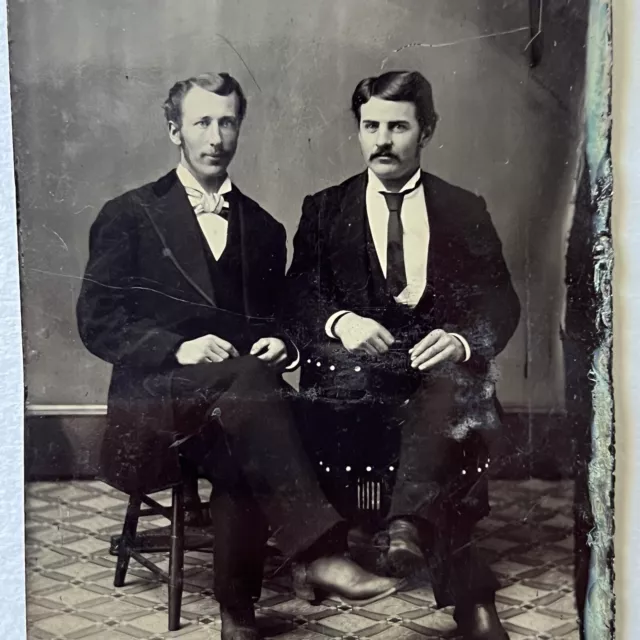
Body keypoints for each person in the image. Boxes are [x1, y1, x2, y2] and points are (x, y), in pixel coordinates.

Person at [76, 72, 398, 640]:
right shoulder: (128, 215)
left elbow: (280, 316)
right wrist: (179, 346)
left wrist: (286, 343)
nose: (216, 137)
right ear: (174, 130)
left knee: (247, 420)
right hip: (156, 412)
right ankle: (318, 552)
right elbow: (97, 322)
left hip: (237, 415)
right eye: (202, 122)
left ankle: (237, 619)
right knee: (255, 399)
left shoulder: (264, 229)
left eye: (227, 122)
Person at [285, 70, 520, 640]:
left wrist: (463, 340)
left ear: (427, 130)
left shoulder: (463, 209)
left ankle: (410, 527)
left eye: (398, 126)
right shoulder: (324, 208)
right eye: (371, 127)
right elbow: (295, 297)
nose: (382, 140)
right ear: (359, 131)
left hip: (428, 377)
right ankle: (468, 593)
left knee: (453, 391)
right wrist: (340, 321)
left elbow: (499, 300)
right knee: (423, 413)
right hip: (351, 382)